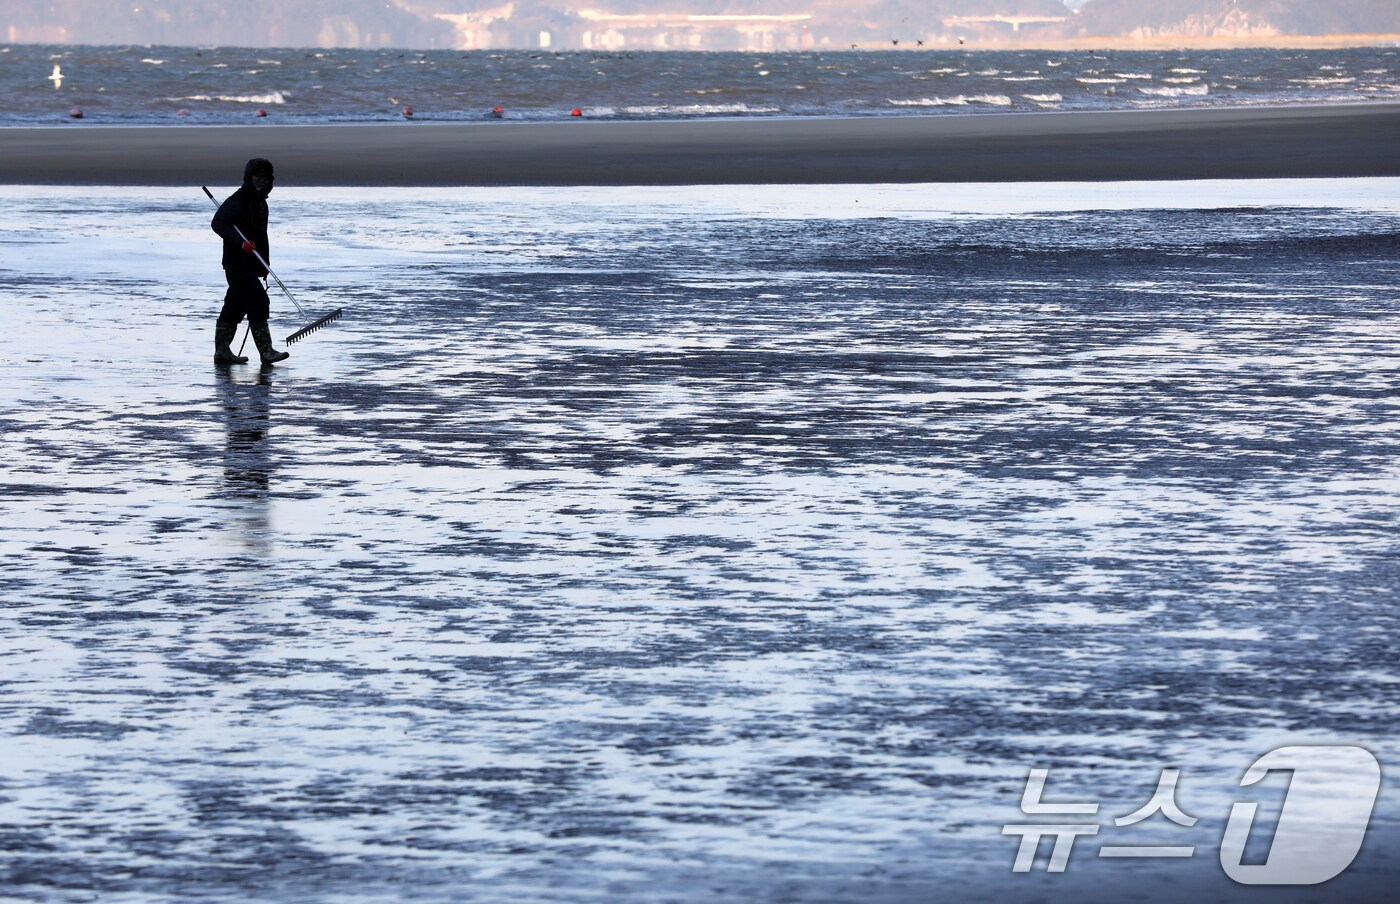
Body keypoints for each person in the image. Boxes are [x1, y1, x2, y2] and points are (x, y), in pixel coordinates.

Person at [211, 158, 290, 366]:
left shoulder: (261, 203)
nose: (261, 183)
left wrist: (264, 265)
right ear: (248, 179)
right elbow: (218, 223)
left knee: (234, 308)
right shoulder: (239, 200)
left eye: (265, 179)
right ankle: (266, 353)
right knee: (258, 303)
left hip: (252, 265)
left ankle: (222, 353)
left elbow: (262, 237)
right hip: (236, 265)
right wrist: (241, 243)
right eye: (257, 179)